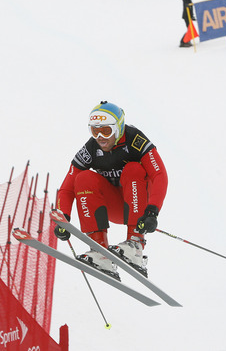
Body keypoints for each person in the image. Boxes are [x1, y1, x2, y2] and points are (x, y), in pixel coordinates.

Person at [54, 101, 168, 278]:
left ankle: (135, 245)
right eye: (94, 131)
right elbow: (66, 188)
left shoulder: (135, 140)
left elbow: (160, 175)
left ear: (118, 128)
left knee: (133, 169)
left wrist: (153, 211)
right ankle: (99, 251)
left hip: (139, 208)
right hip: (114, 207)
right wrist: (63, 217)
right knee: (83, 178)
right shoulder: (91, 149)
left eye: (106, 131)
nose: (100, 137)